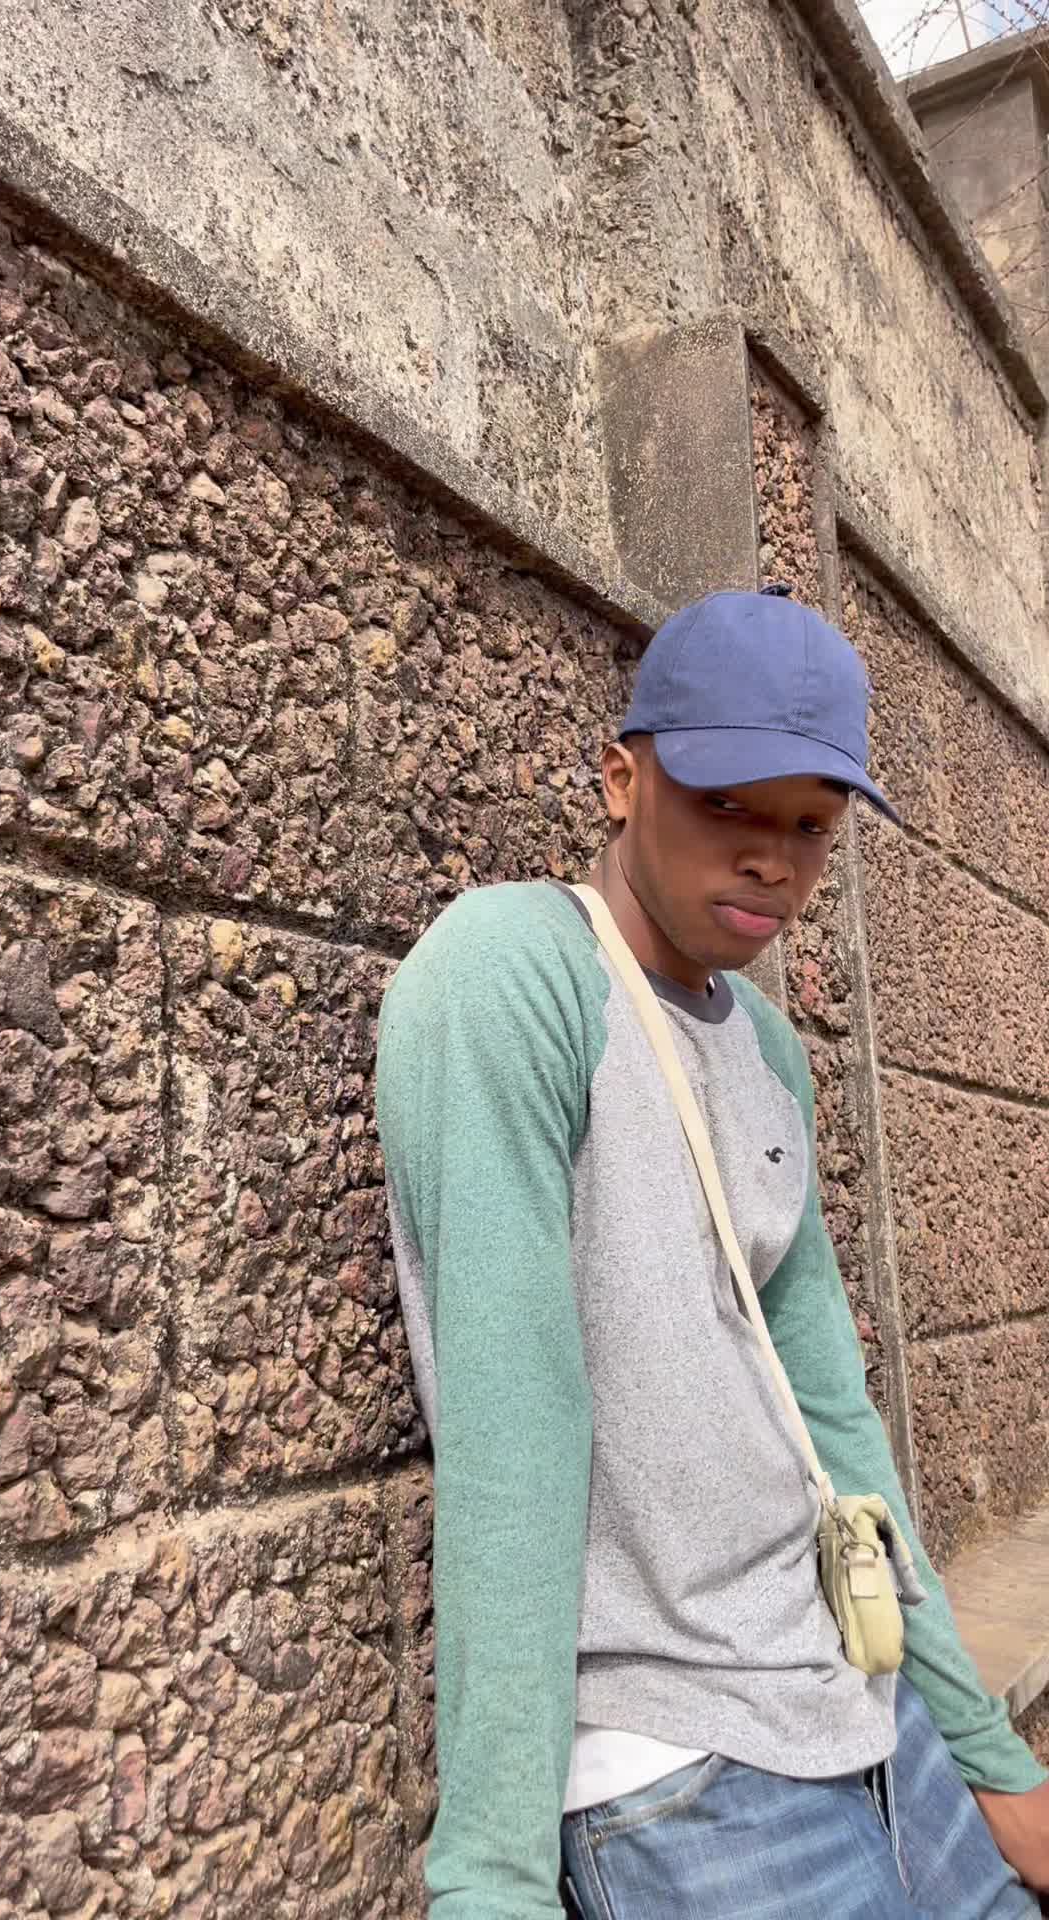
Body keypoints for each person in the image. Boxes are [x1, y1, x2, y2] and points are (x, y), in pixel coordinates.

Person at [375, 588, 1049, 1918]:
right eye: (728, 804)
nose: (772, 862)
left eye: (811, 826)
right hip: (676, 1766)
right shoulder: (514, 975)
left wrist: (982, 1747)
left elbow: (832, 1416)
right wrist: (493, 1885)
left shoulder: (767, 1047)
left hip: (867, 1709)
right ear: (622, 781)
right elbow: (511, 1431)